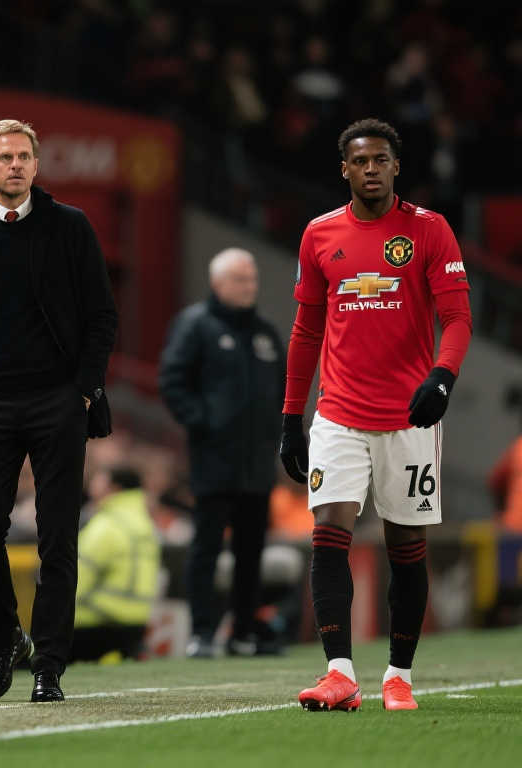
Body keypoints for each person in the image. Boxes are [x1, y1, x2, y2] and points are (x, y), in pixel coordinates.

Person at [279, 118, 471, 712]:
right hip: (338, 413)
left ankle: (398, 676)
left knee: (405, 546)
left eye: (380, 160)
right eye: (360, 161)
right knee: (328, 532)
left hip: (409, 419)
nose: (370, 169)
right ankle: (339, 673)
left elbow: (457, 319)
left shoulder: (428, 230)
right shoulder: (319, 234)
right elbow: (306, 330)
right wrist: (291, 417)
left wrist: (442, 376)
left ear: (395, 167)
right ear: (344, 169)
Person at [0, 119, 117, 702]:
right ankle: (6, 638)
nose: (15, 165)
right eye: (5, 156)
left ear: (36, 165)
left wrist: (82, 389)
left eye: (24, 156)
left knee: (58, 537)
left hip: (57, 400)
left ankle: (49, 666)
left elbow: (101, 315)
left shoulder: (70, 226)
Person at [159, 247, 285, 657]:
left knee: (252, 550)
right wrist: (205, 424)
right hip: (213, 460)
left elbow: (284, 389)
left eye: (252, 279)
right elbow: (172, 381)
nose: (249, 286)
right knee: (207, 548)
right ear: (217, 283)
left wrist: (277, 435)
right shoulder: (196, 325)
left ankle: (243, 632)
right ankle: (201, 633)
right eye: (240, 279)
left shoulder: (265, 334)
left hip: (258, 463)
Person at [72, 466, 160, 662]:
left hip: (96, 622)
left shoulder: (106, 525)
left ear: (114, 487)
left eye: (98, 480)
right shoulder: (145, 524)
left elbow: (76, 580)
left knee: (33, 660)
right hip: (137, 623)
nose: (91, 485)